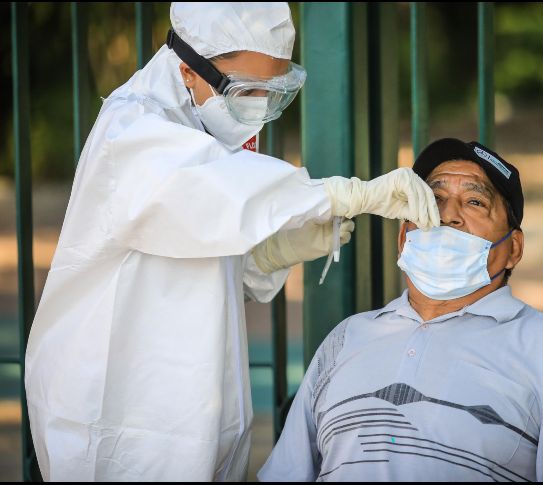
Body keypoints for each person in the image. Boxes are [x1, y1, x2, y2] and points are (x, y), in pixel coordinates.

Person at [24, 3, 439, 482]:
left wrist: (268, 255)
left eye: (274, 91)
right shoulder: (132, 129)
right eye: (248, 90)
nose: (260, 106)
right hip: (116, 417)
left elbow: (201, 261)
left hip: (191, 408)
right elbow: (208, 189)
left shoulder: (207, 121)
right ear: (188, 70)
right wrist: (340, 193)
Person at [258, 138, 543, 482]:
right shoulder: (348, 336)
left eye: (475, 202)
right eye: (433, 199)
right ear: (403, 239)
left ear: (514, 249)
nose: (447, 215)